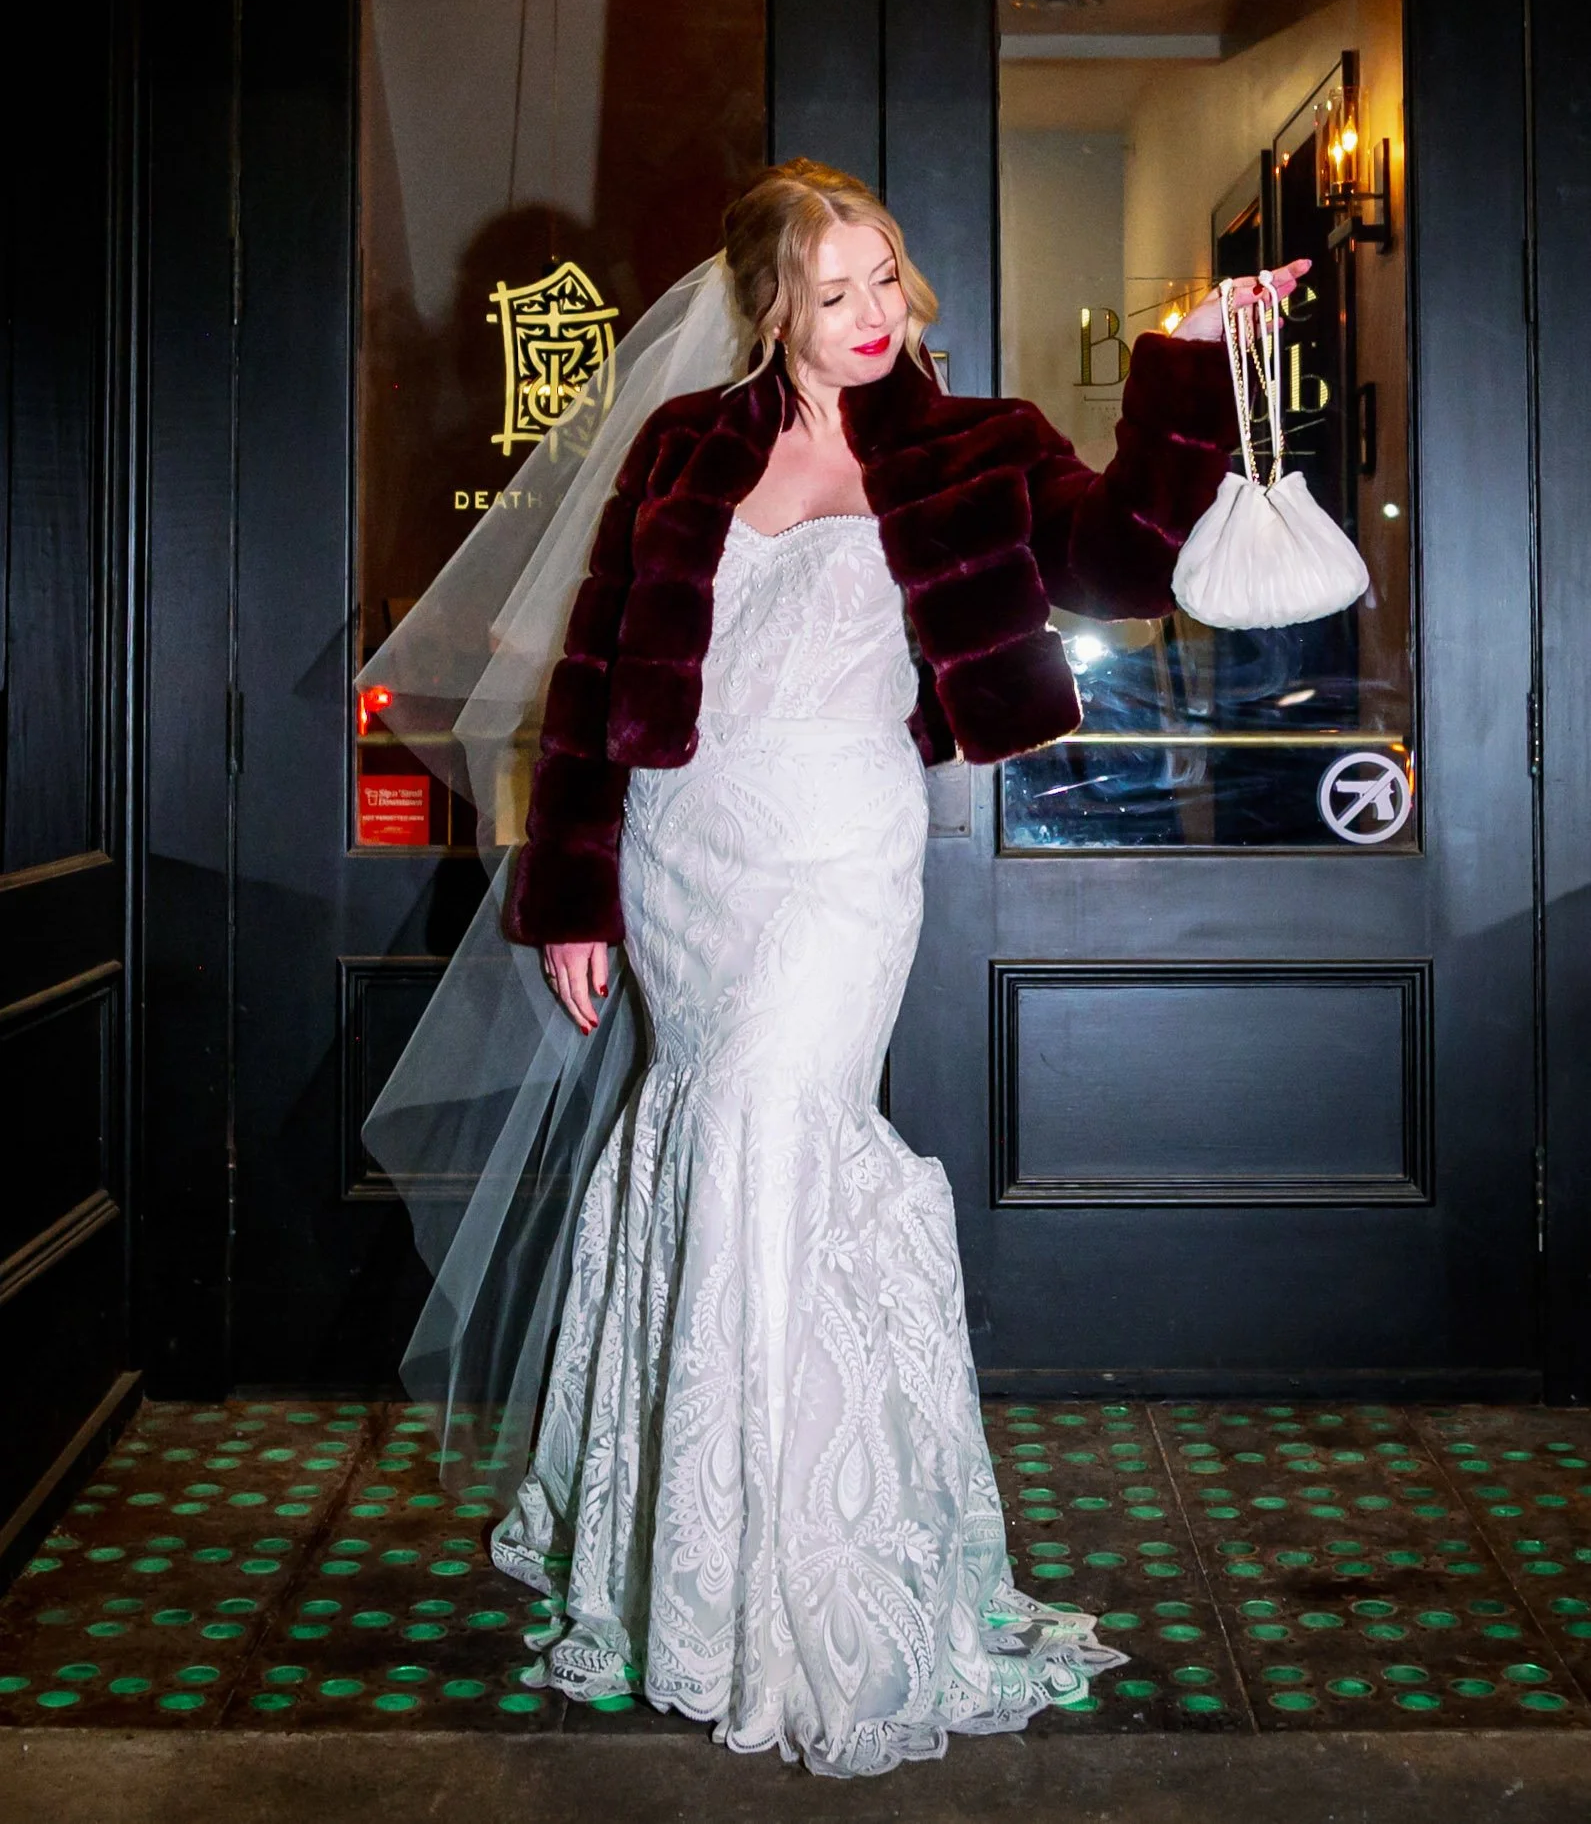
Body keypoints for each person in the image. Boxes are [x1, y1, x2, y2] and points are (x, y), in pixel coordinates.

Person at [471, 158, 1305, 1774]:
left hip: (842, 854)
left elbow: (1125, 564)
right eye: (832, 290)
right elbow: (590, 670)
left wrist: (1191, 356)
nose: (869, 316)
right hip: (679, 846)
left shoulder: (970, 441)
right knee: (713, 1140)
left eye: (884, 280)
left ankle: (817, 1569)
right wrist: (570, 888)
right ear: (770, 304)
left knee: (782, 1127)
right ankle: (704, 1557)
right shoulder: (684, 442)